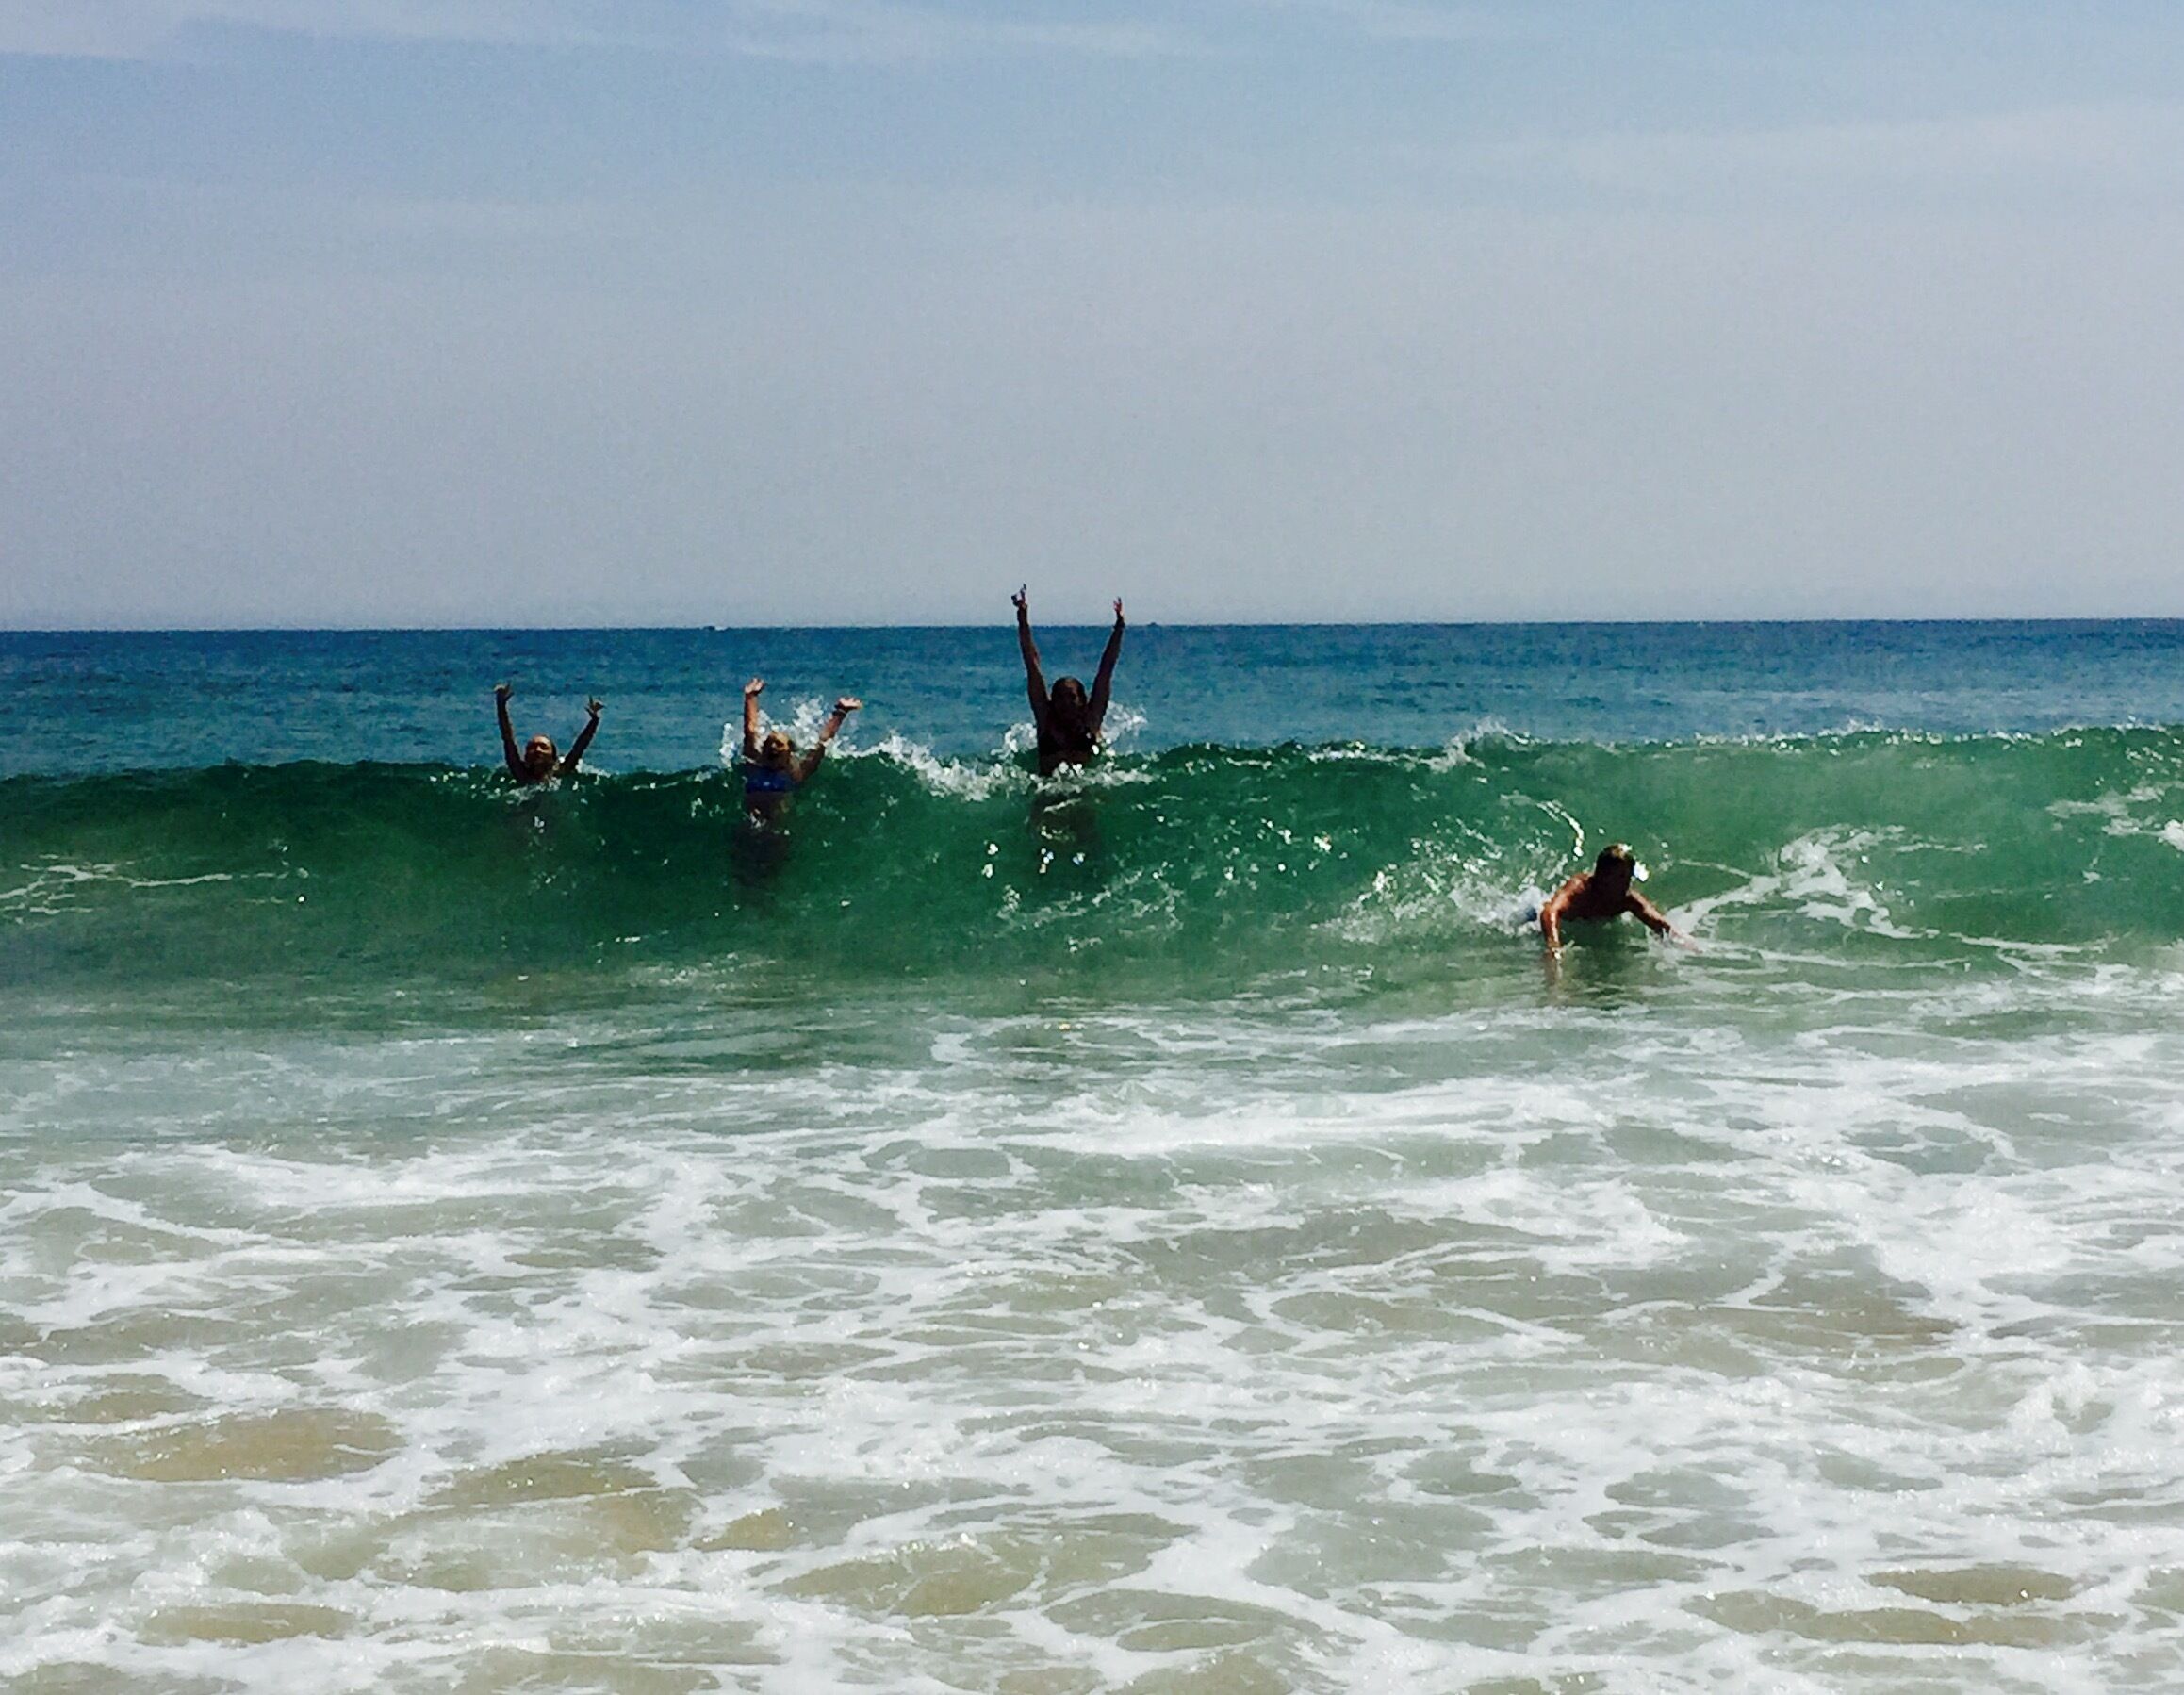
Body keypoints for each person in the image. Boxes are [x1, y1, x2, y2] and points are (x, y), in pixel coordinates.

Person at [1012, 586, 1125, 777]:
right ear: (1052, 701)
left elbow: (1105, 671)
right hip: (1046, 790)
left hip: (1084, 790)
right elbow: (1032, 665)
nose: (1065, 703)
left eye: (1070, 697)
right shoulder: (1045, 718)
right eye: (1059, 697)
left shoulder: (1091, 719)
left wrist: (1119, 628)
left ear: (1082, 700)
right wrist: (1023, 620)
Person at [740, 678, 860, 814]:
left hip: (776, 828)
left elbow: (822, 744)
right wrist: (750, 697)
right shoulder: (755, 764)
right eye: (769, 743)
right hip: (750, 823)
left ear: (789, 751)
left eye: (779, 745)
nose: (773, 747)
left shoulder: (795, 774)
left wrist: (841, 712)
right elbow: (750, 730)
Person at [1538, 843, 1679, 954]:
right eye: (1620, 877)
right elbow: (1549, 911)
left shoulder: (1627, 898)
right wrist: (1553, 947)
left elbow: (1660, 924)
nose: (1626, 882)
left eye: (1628, 876)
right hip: (1542, 921)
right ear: (1602, 876)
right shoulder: (1580, 889)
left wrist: (1687, 945)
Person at [496, 683, 601, 783]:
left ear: (553, 756)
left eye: (543, 747)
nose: (537, 750)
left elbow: (579, 747)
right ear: (526, 756)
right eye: (532, 747)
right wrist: (501, 705)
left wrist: (594, 721)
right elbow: (507, 738)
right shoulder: (521, 773)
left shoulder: (562, 771)